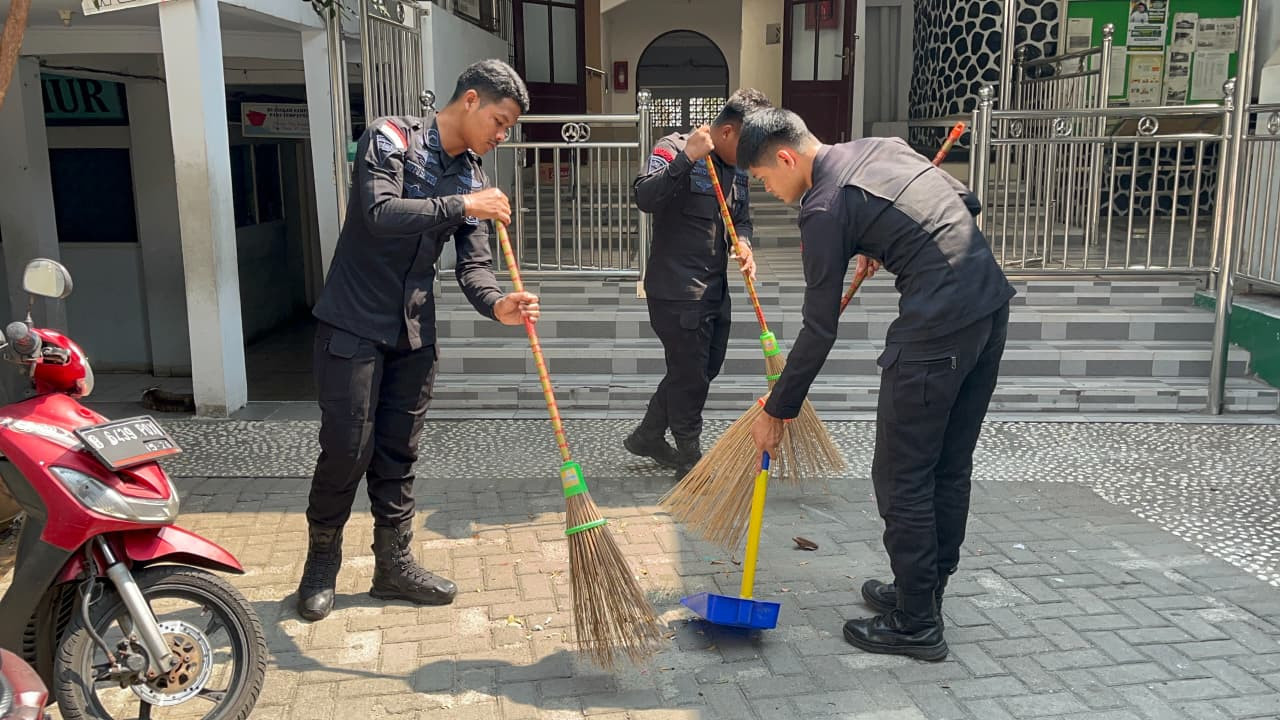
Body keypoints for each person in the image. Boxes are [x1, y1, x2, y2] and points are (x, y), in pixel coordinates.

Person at [740, 108, 1015, 661]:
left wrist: (778, 409)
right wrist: (881, 239)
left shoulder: (823, 207)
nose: (770, 190)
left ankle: (916, 624)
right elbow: (965, 203)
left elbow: (819, 328)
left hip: (936, 329)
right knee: (947, 467)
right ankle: (924, 592)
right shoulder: (879, 147)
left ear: (787, 158)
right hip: (988, 307)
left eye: (765, 179)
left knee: (902, 476)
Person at [296, 59, 539, 622]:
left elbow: (474, 268)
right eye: (499, 122)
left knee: (398, 451)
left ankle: (393, 567)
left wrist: (497, 304)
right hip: (352, 324)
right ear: (471, 100)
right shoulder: (390, 138)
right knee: (347, 449)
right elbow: (379, 212)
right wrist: (463, 205)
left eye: (508, 129)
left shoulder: (473, 176)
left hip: (413, 333)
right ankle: (321, 564)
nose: (501, 136)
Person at [625, 89, 771, 478]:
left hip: (714, 290)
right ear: (727, 131)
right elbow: (644, 196)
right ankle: (690, 457)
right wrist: (687, 158)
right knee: (690, 376)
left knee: (703, 369)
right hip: (677, 291)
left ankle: (648, 434)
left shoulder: (736, 169)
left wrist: (743, 243)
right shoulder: (674, 148)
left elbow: (742, 219)